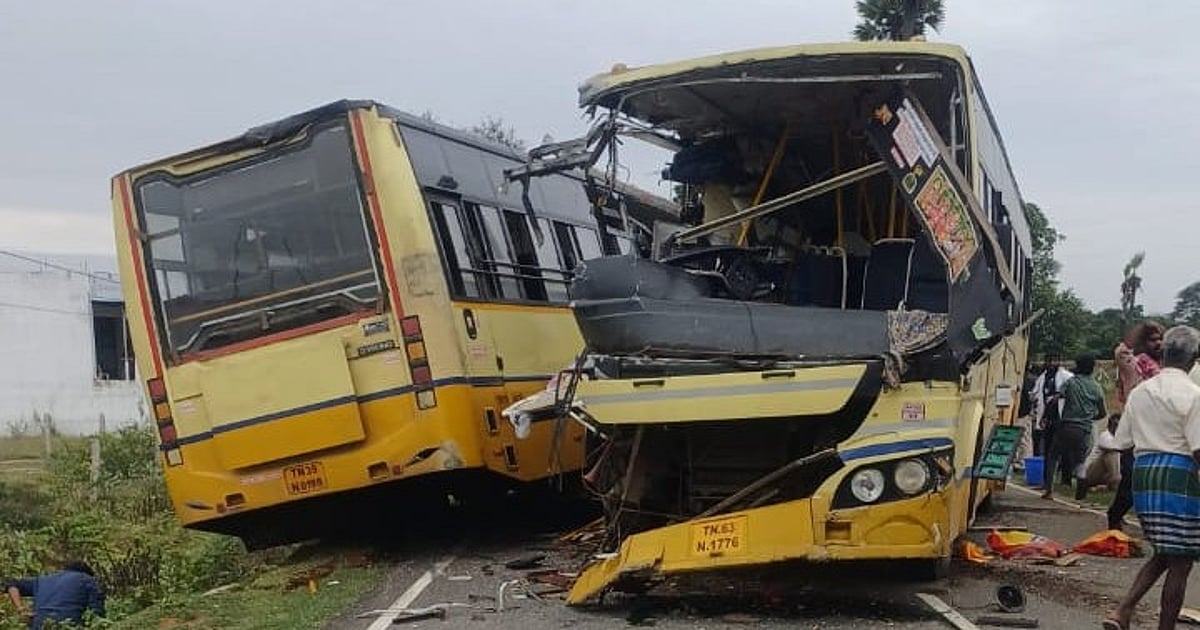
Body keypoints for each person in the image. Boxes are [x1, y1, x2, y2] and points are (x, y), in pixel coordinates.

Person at [1103, 326, 1200, 630]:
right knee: (1181, 562)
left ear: (1164, 354)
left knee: (1166, 552)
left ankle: (1122, 612)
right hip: (1179, 475)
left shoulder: (1141, 392)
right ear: (1193, 359)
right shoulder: (1194, 394)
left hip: (1144, 476)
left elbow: (1121, 442)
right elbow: (1198, 448)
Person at [1109, 320, 1165, 530]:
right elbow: (1121, 351)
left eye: (1160, 339)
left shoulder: (1164, 367)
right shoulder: (1134, 365)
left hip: (1158, 432)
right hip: (1135, 432)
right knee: (1132, 480)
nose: (1158, 343)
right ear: (1142, 342)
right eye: (1152, 340)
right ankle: (1114, 518)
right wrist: (1142, 329)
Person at [1042, 355, 1106, 500]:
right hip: (1084, 430)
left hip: (1066, 426)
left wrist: (1046, 415)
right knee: (1081, 460)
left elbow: (1055, 398)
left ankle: (1049, 490)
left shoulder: (1071, 382)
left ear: (1078, 367)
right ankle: (1081, 487)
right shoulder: (1097, 387)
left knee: (1053, 455)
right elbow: (1102, 413)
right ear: (1092, 369)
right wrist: (1089, 417)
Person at [3, 561, 105, 629]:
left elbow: (11, 583)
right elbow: (97, 614)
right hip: (67, 625)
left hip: (39, 625)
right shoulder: (87, 579)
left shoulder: (43, 580)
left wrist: (21, 609)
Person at [1031, 354, 1073, 479]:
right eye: (1049, 361)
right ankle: (1047, 479)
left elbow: (1071, 393)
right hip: (1048, 418)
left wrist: (1059, 396)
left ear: (1059, 361)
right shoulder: (1043, 377)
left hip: (1062, 418)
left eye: (1054, 360)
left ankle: (1066, 479)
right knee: (1048, 449)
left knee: (1065, 449)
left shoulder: (1067, 376)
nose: (1051, 363)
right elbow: (1036, 393)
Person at [1077, 413, 1123, 501]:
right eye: (1116, 425)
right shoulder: (1105, 435)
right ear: (1111, 425)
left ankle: (1105, 486)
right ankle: (1115, 483)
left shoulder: (1120, 439)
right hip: (1091, 473)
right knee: (1111, 454)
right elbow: (1114, 449)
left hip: (1105, 475)